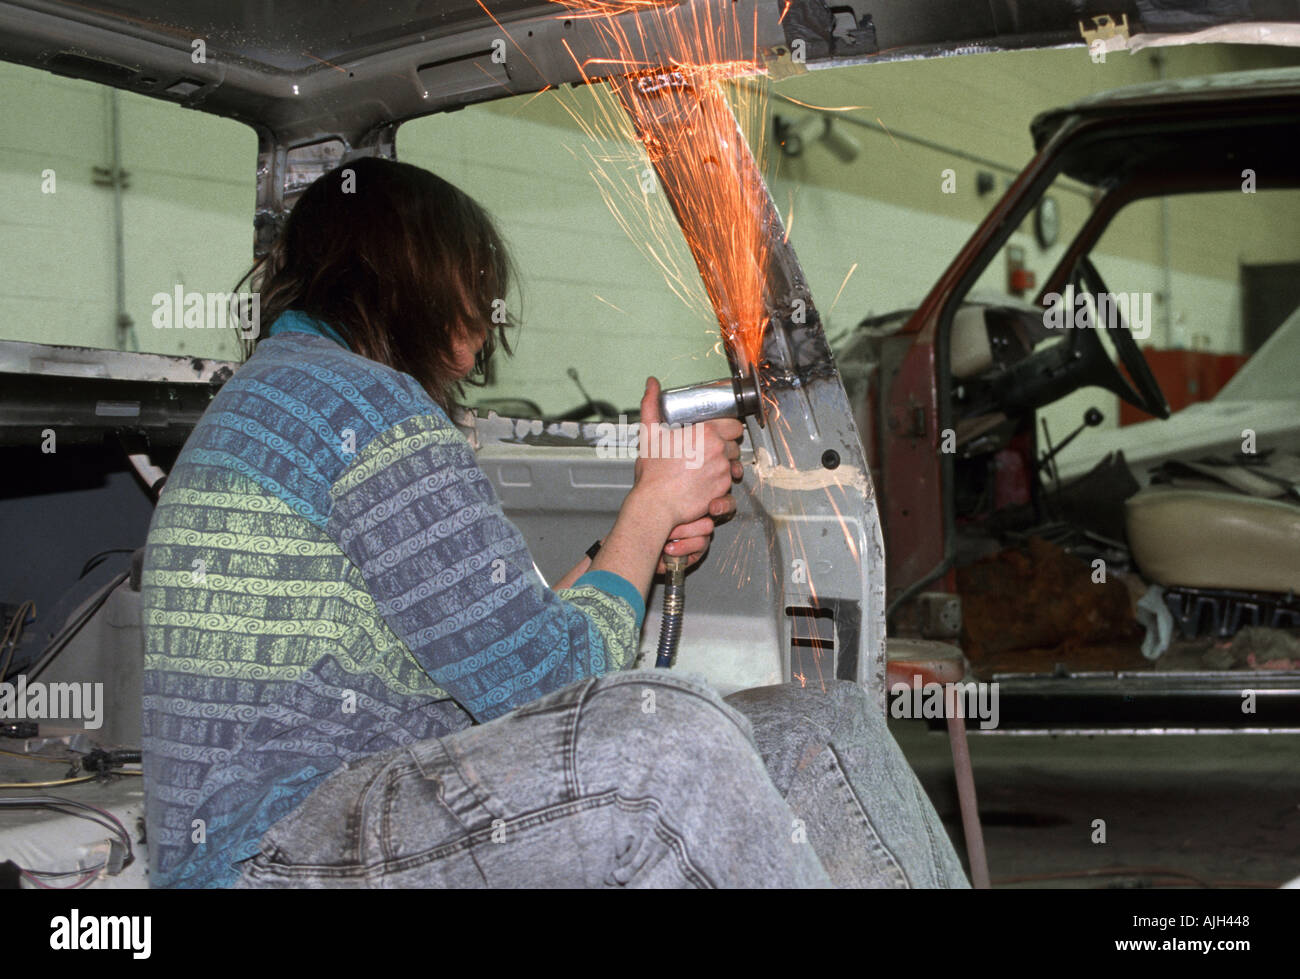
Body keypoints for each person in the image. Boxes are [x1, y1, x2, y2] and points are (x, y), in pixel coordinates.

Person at [141, 157, 968, 888]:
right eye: (472, 305)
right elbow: (552, 685)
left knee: (820, 722)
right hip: (270, 854)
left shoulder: (286, 394)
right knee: (671, 746)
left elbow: (495, 652)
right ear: (413, 274)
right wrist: (649, 514)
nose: (472, 350)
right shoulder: (367, 409)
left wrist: (638, 528)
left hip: (309, 819)